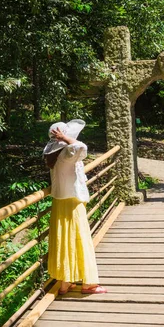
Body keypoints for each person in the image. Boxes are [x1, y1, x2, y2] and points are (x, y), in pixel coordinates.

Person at [43, 119, 107, 295]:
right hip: (72, 202)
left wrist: (62, 140)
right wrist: (65, 138)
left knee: (65, 240)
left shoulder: (54, 156)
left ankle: (65, 283)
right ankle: (88, 284)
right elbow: (82, 148)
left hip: (60, 202)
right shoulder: (67, 154)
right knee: (80, 239)